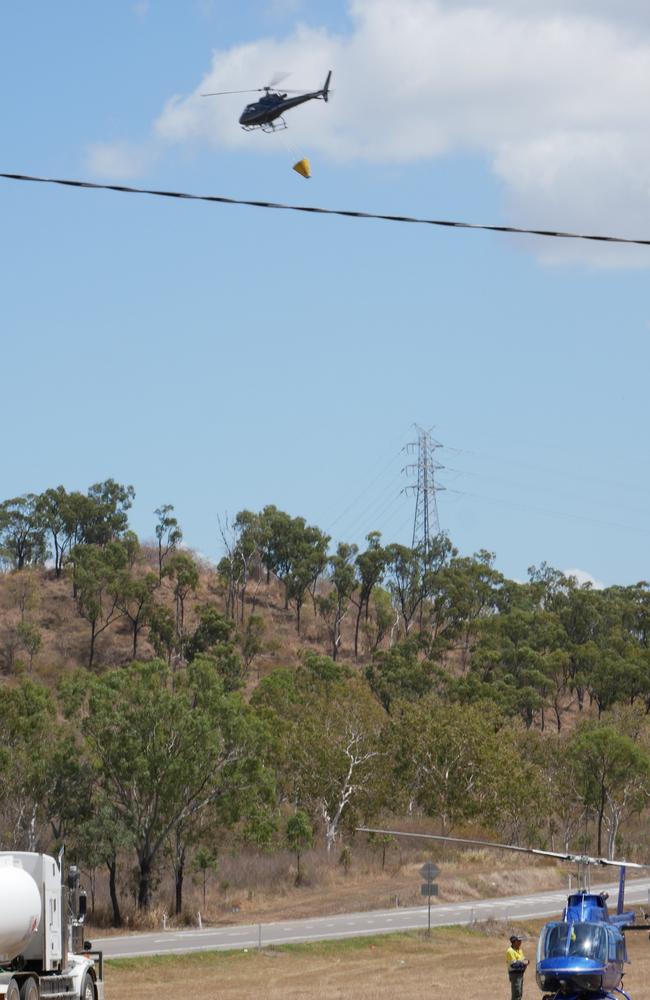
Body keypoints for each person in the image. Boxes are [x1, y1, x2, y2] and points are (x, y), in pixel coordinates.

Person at [506, 934, 529, 1000]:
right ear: (514, 941)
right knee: (516, 993)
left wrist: (525, 962)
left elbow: (525, 960)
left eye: (520, 941)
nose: (520, 942)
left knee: (519, 993)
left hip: (520, 974)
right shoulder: (510, 951)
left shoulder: (519, 950)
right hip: (515, 974)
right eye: (518, 941)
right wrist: (523, 963)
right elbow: (514, 965)